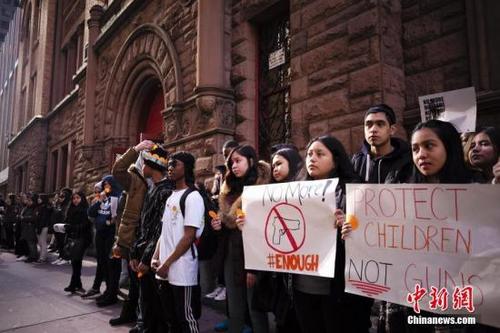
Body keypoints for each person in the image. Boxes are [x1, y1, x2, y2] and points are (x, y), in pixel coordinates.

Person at [285, 135, 356, 333]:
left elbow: (365, 235)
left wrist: (349, 226)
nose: (312, 159)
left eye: (319, 154)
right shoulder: (293, 192)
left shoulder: (353, 192)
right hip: (301, 284)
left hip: (335, 289)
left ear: (336, 159)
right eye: (309, 154)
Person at [351, 104, 412, 332]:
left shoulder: (408, 161)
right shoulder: (356, 162)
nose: (373, 129)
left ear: (392, 129)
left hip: (398, 250)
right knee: (362, 314)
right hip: (363, 253)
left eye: (379, 124)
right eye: (368, 124)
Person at [211, 144, 271, 333]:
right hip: (231, 253)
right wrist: (219, 226)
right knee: (234, 302)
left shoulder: (262, 189)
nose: (234, 165)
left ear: (250, 161)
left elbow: (265, 228)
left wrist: (254, 268)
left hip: (253, 255)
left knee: (254, 306)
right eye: (231, 162)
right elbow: (227, 223)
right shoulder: (227, 189)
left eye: (238, 161)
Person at [153, 151, 204, 333]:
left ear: (187, 168)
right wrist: (155, 256)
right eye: (169, 163)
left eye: (175, 164)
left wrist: (167, 263)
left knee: (186, 318)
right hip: (165, 268)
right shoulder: (171, 196)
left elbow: (189, 236)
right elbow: (164, 231)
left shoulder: (193, 197)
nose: (170, 167)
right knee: (170, 318)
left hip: (181, 269)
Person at [129, 143, 173, 333]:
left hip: (156, 257)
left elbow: (159, 230)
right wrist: (134, 252)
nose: (142, 168)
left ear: (152, 166)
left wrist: (147, 258)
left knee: (157, 303)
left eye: (144, 164)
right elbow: (143, 225)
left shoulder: (165, 192)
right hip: (143, 253)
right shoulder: (152, 189)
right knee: (145, 298)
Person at [108, 140, 151, 327]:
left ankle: (143, 319)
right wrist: (136, 149)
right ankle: (131, 315)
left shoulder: (162, 181)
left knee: (144, 283)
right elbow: (117, 170)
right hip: (134, 237)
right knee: (135, 281)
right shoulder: (134, 179)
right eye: (145, 157)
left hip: (150, 238)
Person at [85, 175, 123, 306]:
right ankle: (106, 289)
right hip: (100, 233)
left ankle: (111, 291)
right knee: (101, 261)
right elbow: (90, 212)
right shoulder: (102, 198)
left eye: (108, 185)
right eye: (104, 185)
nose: (106, 187)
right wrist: (100, 201)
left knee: (110, 263)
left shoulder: (118, 197)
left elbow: (117, 216)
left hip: (111, 234)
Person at [411, 120, 473, 184]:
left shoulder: (478, 184)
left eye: (429, 146)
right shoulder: (406, 190)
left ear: (449, 147)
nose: (421, 155)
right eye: (415, 149)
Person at [63, 191, 92, 293]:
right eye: (74, 198)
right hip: (72, 238)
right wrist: (65, 227)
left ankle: (73, 285)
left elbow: (85, 226)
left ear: (82, 198)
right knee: (75, 262)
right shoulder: (70, 209)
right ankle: (78, 284)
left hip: (82, 238)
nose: (75, 200)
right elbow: (68, 223)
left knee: (76, 261)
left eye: (78, 198)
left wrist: (72, 227)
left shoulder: (85, 210)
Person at [51, 188, 73, 265]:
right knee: (59, 242)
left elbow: (66, 215)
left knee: (64, 243)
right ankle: (61, 256)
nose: (60, 198)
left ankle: (66, 258)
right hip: (57, 225)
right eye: (60, 196)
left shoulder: (69, 204)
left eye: (62, 196)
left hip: (64, 225)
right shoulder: (59, 204)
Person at [20, 193, 39, 263]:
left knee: (31, 243)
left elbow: (34, 218)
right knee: (29, 243)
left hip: (31, 228)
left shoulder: (35, 208)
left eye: (29, 200)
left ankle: (33, 257)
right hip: (26, 228)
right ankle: (32, 256)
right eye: (28, 200)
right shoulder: (27, 207)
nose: (28, 201)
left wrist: (24, 218)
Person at [35, 193, 52, 263]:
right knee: (40, 242)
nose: (38, 199)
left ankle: (42, 257)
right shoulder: (40, 206)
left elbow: (43, 219)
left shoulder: (45, 207)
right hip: (40, 226)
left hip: (43, 226)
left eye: (40, 198)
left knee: (43, 242)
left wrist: (39, 227)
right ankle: (43, 256)